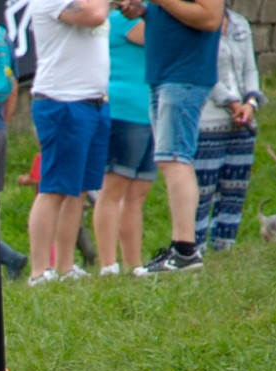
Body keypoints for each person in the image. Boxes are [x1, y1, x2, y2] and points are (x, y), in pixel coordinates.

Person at [118, 0, 224, 274]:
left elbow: (211, 18)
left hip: (184, 74)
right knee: (171, 158)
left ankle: (185, 249)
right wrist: (144, 11)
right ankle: (181, 248)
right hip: (163, 74)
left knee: (175, 158)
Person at [26, 0, 110, 285]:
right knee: (54, 188)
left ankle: (65, 266)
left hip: (94, 101)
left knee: (78, 189)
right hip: (62, 101)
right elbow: (95, 15)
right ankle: (40, 271)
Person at [92, 6, 157, 275]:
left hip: (148, 112)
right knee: (113, 189)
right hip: (124, 111)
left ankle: (133, 263)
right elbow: (161, 36)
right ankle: (108, 264)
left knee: (137, 194)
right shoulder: (121, 20)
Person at [193, 4, 262, 252]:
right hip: (208, 120)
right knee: (202, 191)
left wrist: (251, 102)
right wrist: (232, 103)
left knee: (235, 189)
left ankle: (225, 247)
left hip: (242, 121)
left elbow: (250, 69)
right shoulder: (195, 23)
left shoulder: (239, 23)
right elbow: (201, 69)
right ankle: (195, 248)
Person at [0, 13, 29, 279]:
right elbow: (12, 86)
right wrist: (3, 123)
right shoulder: (1, 35)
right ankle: (5, 257)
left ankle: (7, 257)